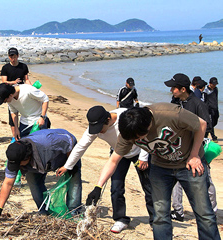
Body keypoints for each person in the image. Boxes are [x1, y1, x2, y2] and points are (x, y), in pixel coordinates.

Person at [86, 103, 220, 240]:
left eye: (140, 137)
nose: (139, 141)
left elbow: (201, 124)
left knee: (204, 213)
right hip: (160, 167)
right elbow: (113, 160)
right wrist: (98, 186)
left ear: (148, 125)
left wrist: (194, 154)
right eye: (136, 140)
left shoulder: (170, 114)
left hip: (189, 163)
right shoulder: (129, 132)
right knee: (160, 214)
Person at [56, 106, 153, 233]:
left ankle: (156, 220)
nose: (98, 131)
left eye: (100, 128)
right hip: (118, 154)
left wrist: (144, 157)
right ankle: (121, 219)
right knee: (116, 187)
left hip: (139, 152)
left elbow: (146, 133)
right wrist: (67, 166)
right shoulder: (95, 127)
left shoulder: (125, 116)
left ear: (108, 119)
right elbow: (81, 146)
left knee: (149, 187)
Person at [0, 128, 82, 224]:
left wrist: (68, 165)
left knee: (73, 176)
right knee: (32, 179)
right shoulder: (14, 156)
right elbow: (8, 183)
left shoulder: (48, 144)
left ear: (28, 157)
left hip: (65, 151)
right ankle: (45, 210)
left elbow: (69, 141)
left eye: (19, 164)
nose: (18, 168)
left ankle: (74, 212)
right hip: (43, 160)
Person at [164, 73, 217, 221]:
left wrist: (195, 150)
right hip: (177, 148)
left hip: (195, 149)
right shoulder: (175, 101)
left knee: (205, 179)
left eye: (173, 88)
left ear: (182, 89)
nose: (171, 90)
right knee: (176, 180)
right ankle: (178, 211)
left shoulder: (197, 103)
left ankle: (211, 210)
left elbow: (206, 126)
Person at [1, 47, 31, 135]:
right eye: (11, 57)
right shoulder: (5, 68)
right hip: (10, 95)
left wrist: (31, 87)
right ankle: (14, 136)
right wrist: (13, 82)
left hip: (22, 94)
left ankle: (25, 133)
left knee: (25, 114)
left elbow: (27, 79)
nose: (13, 59)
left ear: (17, 56)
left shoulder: (23, 66)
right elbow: (4, 82)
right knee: (13, 115)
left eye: (14, 57)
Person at [204, 77, 219, 143]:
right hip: (209, 109)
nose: (215, 85)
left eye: (215, 84)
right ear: (210, 83)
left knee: (214, 122)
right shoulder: (206, 90)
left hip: (215, 108)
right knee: (210, 123)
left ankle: (206, 134)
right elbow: (204, 100)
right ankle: (213, 136)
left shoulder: (216, 89)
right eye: (213, 84)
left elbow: (216, 99)